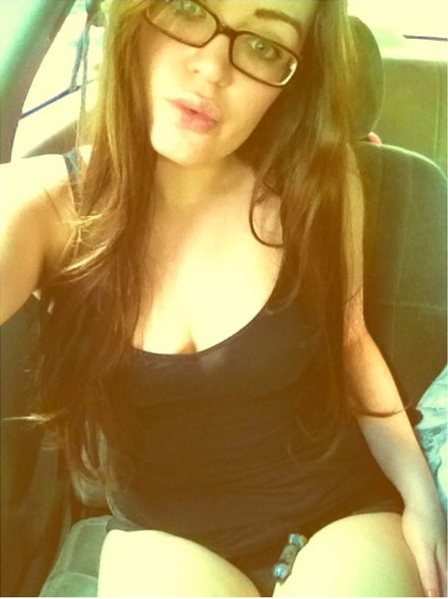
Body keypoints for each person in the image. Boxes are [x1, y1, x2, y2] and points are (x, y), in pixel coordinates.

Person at [1, 0, 446, 596]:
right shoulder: (45, 205)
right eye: (188, 8)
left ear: (292, 78)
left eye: (264, 45)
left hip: (338, 518)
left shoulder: (319, 183)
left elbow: (352, 344)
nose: (213, 68)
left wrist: (422, 500)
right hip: (164, 542)